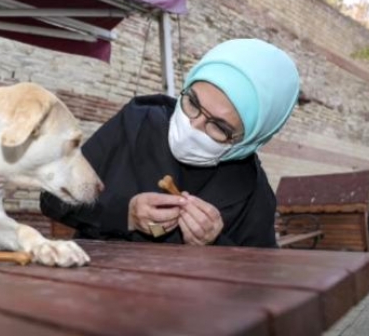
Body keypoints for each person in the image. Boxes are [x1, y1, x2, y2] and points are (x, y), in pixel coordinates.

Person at [40, 38, 300, 247]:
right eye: (193, 103)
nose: (193, 126)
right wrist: (124, 215)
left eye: (220, 127)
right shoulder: (136, 123)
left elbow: (259, 281)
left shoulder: (252, 191)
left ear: (250, 140)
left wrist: (216, 244)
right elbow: (52, 198)